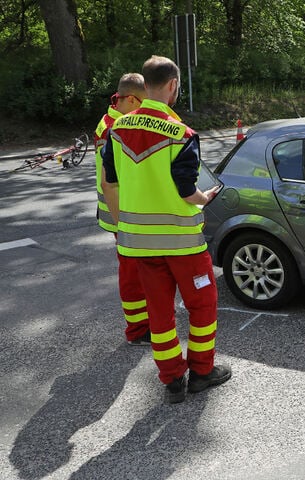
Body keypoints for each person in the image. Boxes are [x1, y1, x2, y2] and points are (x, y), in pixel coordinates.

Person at [101, 56, 231, 404]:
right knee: (202, 306)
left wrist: (123, 228)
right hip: (183, 243)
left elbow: (110, 184)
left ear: (145, 84)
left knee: (159, 311)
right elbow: (187, 189)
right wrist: (205, 198)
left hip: (139, 245)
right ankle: (202, 372)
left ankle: (172, 379)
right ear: (173, 85)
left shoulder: (116, 129)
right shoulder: (181, 133)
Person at [94, 73, 151, 346]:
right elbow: (109, 184)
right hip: (121, 216)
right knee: (131, 273)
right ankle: (137, 328)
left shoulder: (112, 120)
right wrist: (121, 224)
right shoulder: (114, 129)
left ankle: (144, 319)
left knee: (136, 271)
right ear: (130, 99)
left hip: (122, 213)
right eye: (142, 103)